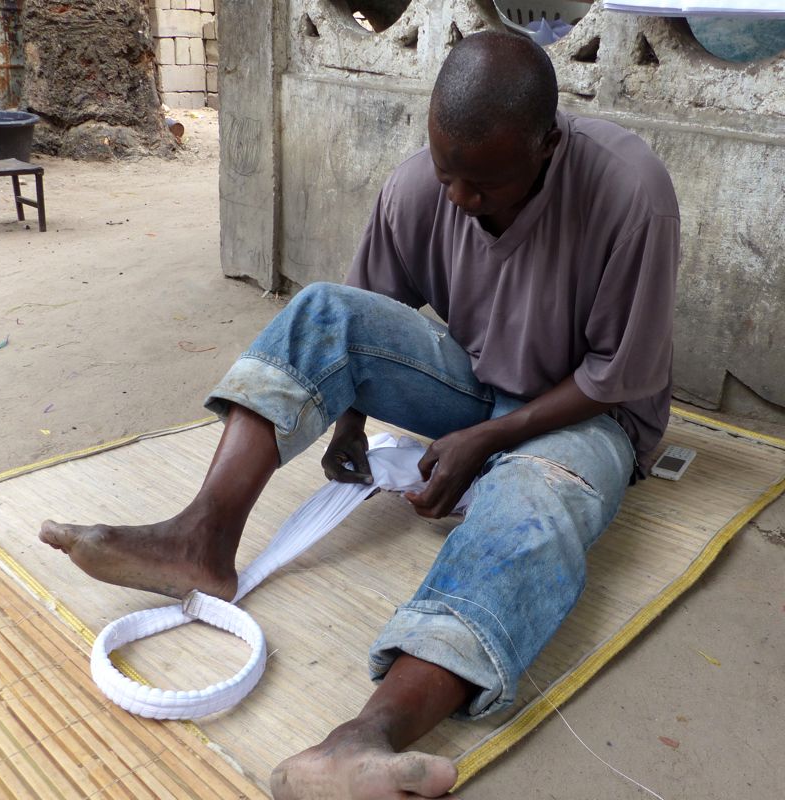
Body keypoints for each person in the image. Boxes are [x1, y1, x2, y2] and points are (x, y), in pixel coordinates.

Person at [39, 31, 679, 800]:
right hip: (477, 383)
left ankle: (365, 739)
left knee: (536, 496)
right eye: (450, 175)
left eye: (484, 185)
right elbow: (361, 320)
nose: (461, 201)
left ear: (548, 144)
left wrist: (491, 440)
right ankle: (201, 537)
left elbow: (618, 378)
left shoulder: (628, 191)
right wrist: (344, 421)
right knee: (320, 312)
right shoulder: (423, 184)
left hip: (591, 414)